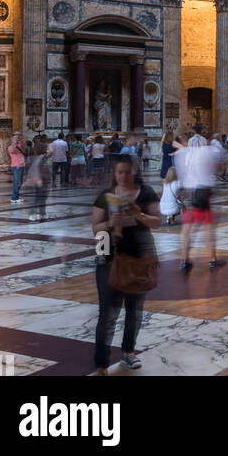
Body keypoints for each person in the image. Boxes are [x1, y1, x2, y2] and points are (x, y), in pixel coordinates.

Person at [91, 155, 160, 374]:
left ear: (134, 172)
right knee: (107, 313)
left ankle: (128, 352)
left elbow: (157, 221)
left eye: (127, 172)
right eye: (119, 172)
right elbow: (95, 228)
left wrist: (138, 214)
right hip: (108, 256)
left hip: (139, 257)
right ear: (114, 173)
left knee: (134, 309)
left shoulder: (146, 192)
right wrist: (111, 222)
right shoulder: (105, 196)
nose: (123, 176)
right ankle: (101, 364)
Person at [178, 135, 225, 271]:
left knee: (186, 228)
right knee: (208, 226)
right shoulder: (206, 152)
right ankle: (212, 258)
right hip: (201, 192)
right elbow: (219, 157)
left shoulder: (185, 154)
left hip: (187, 192)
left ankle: (185, 259)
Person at [25, 144, 51, 221]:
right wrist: (40, 178)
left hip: (41, 180)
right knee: (38, 198)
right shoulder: (41, 157)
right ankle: (32, 214)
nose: (47, 150)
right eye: (46, 149)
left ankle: (42, 213)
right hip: (39, 180)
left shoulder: (40, 157)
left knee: (42, 198)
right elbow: (39, 168)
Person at [8, 132, 27, 204]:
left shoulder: (20, 145)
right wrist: (14, 141)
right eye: (15, 138)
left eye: (17, 138)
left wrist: (20, 134)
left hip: (21, 165)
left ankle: (16, 197)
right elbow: (12, 150)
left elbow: (25, 138)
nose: (17, 139)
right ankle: (13, 198)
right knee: (16, 183)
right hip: (16, 166)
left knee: (20, 182)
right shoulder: (10, 147)